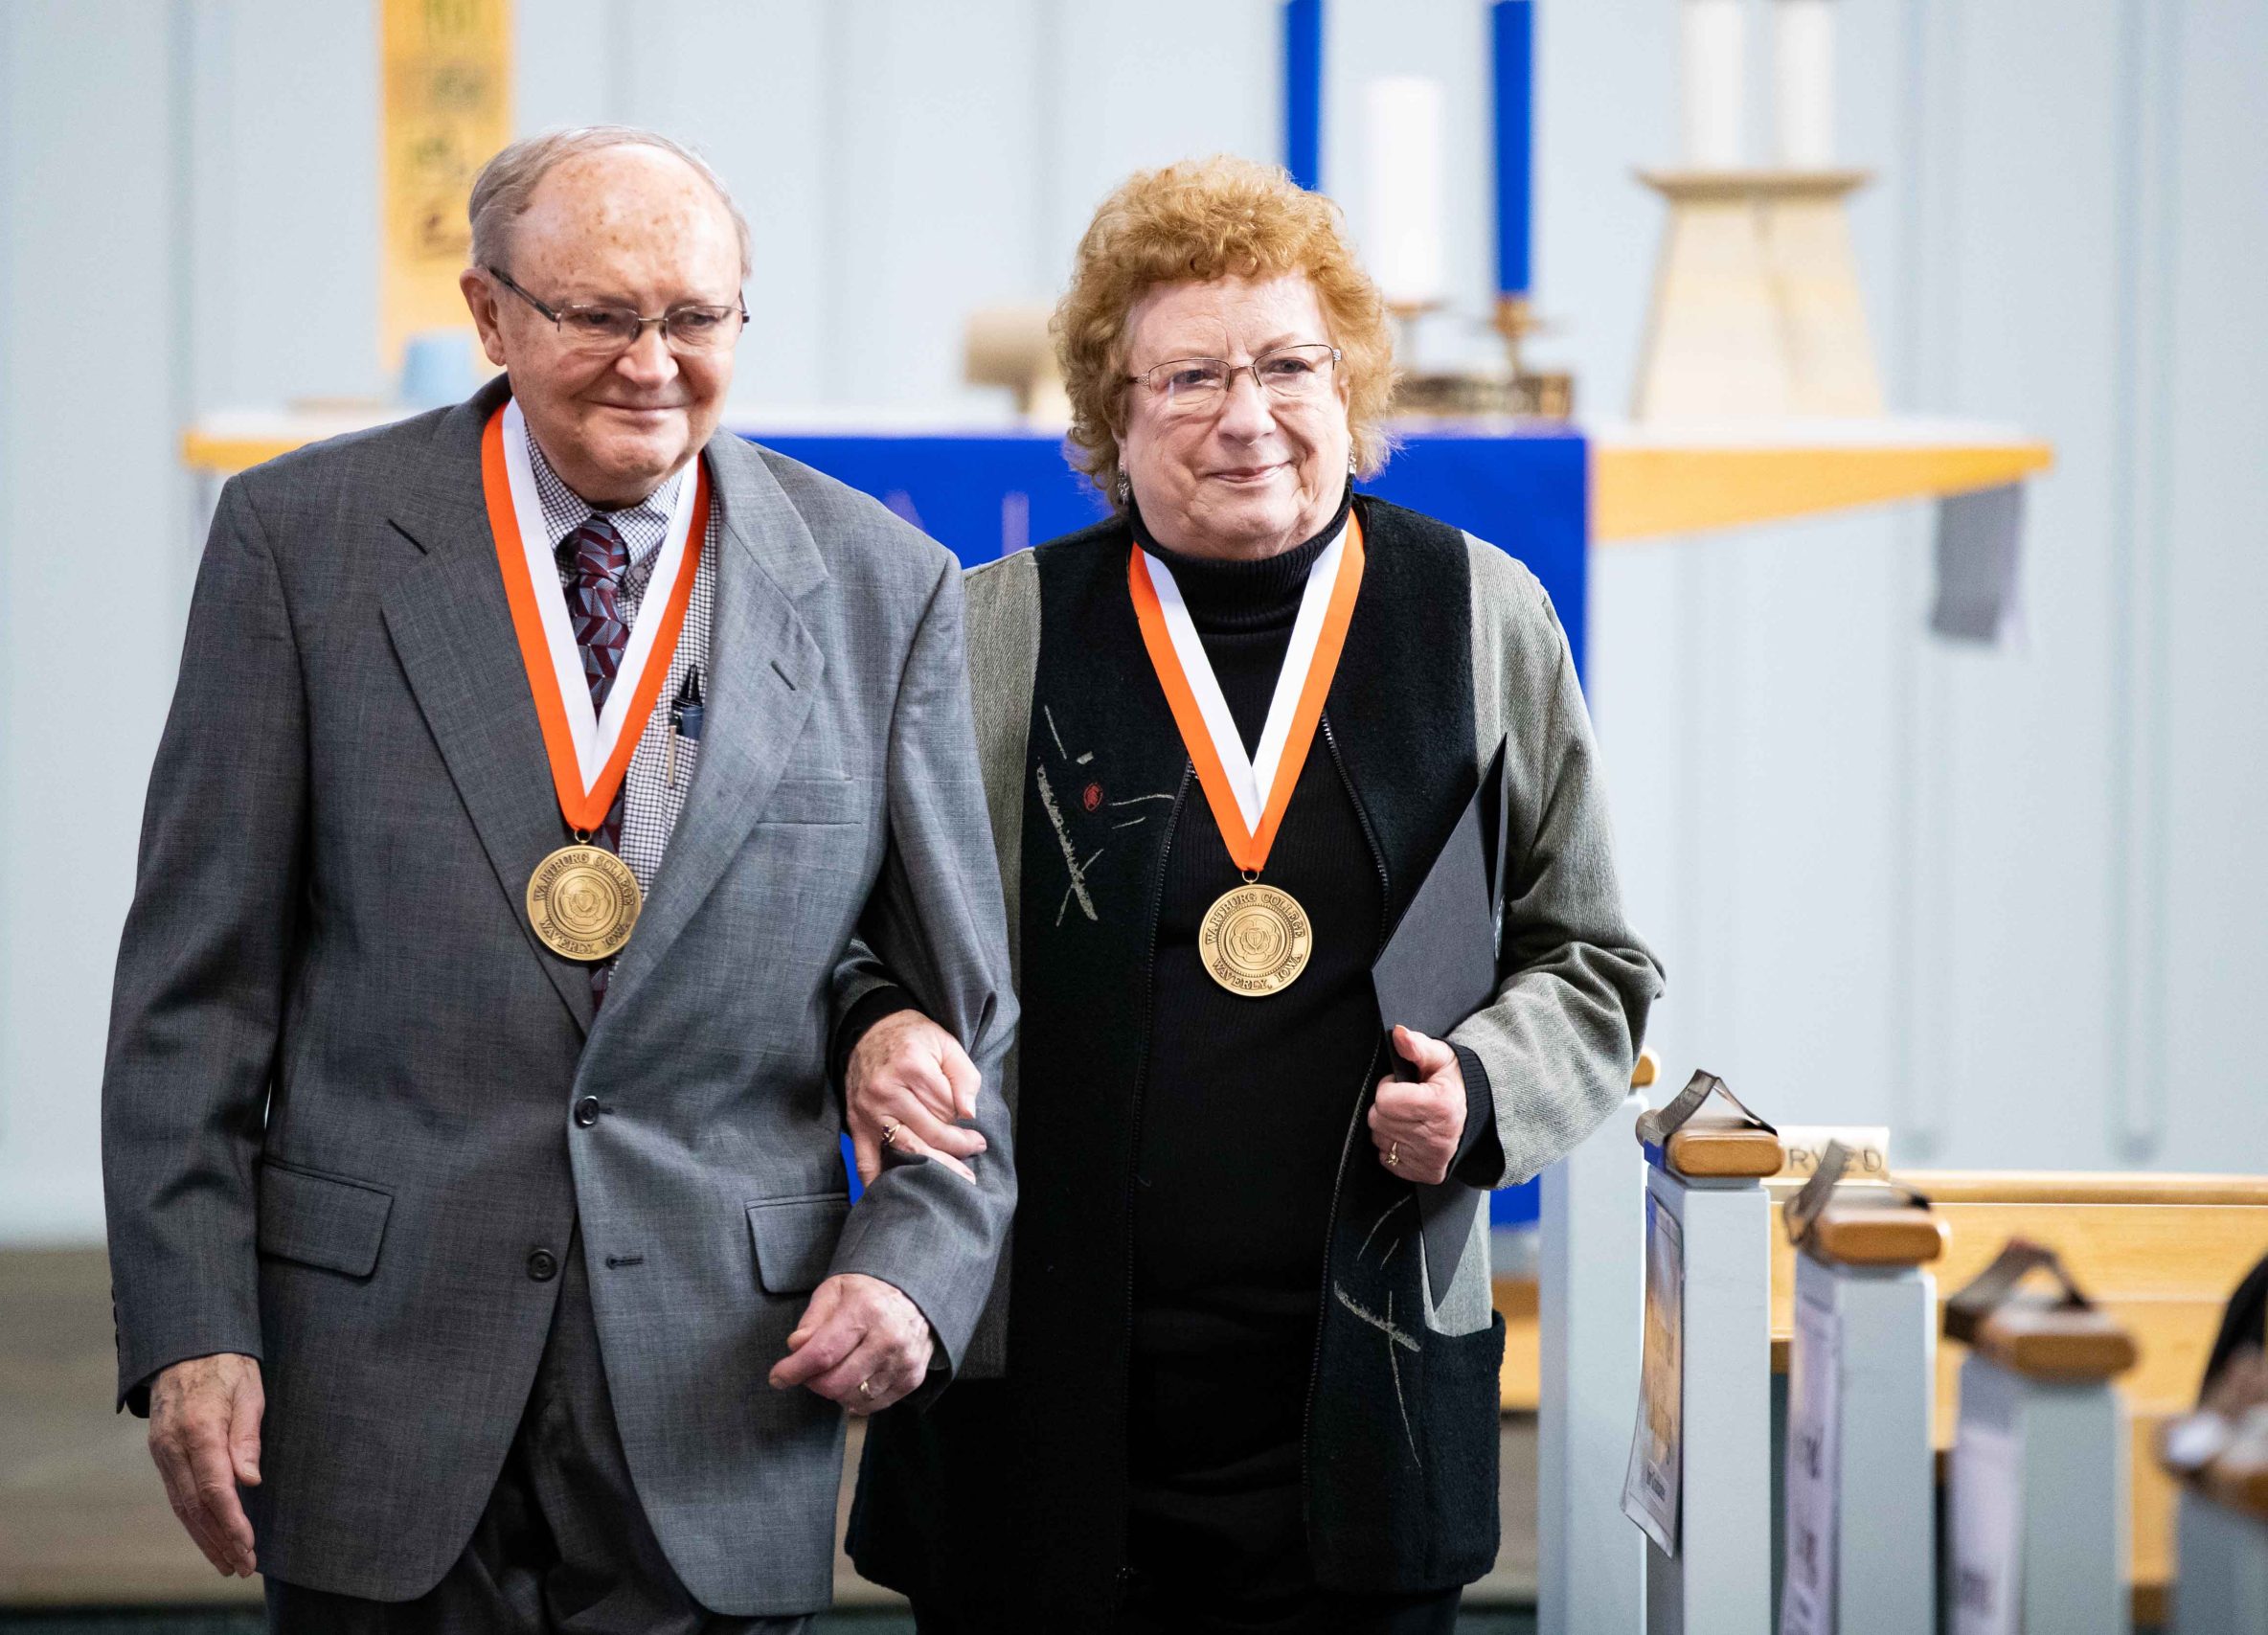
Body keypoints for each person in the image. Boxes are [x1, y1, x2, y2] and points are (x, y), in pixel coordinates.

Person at [101, 126, 1014, 1631]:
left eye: (695, 318)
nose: (651, 363)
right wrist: (191, 1323)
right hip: (374, 1373)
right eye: (599, 316)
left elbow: (963, 1020)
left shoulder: (878, 586)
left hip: (724, 1384)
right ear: (489, 313)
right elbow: (193, 999)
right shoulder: (303, 546)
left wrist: (918, 1268)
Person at [836, 156, 1663, 1634]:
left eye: (1291, 363)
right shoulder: (992, 633)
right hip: (1044, 1393)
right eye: (1190, 376)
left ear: (1351, 387)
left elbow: (1592, 958)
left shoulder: (1483, 620)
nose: (1247, 414)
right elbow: (859, 944)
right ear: (1112, 411)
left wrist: (1483, 1092)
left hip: (1365, 1394)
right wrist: (880, 1026)